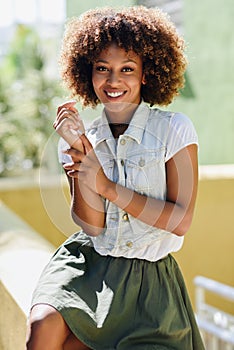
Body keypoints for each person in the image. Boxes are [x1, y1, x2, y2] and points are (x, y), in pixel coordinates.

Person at [26, 5, 205, 350]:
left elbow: (180, 221)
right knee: (43, 327)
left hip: (149, 284)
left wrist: (107, 186)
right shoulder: (81, 140)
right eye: (102, 69)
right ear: (87, 74)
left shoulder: (175, 130)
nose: (113, 81)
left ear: (146, 75)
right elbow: (92, 226)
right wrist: (82, 151)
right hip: (89, 268)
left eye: (127, 69)